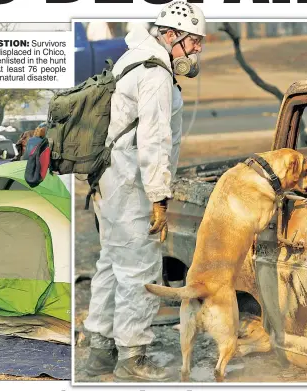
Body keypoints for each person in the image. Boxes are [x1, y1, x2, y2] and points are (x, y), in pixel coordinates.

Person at [82, 1, 206, 382]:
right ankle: (132, 357)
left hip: (111, 178)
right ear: (171, 36)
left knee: (112, 263)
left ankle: (100, 350)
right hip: (131, 183)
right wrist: (159, 199)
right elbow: (154, 140)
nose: (198, 50)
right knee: (141, 269)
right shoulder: (154, 73)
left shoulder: (134, 57)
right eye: (194, 42)